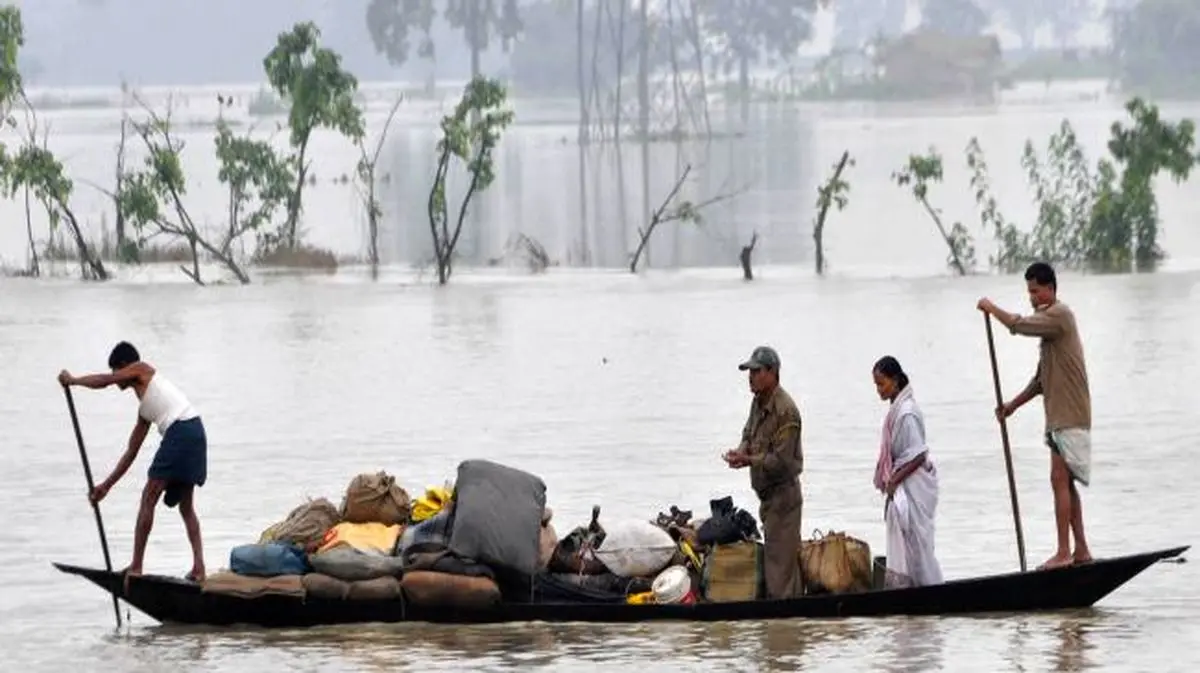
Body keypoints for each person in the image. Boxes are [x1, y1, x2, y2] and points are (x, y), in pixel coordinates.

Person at [58, 341, 208, 584]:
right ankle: (199, 568)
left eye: (117, 372)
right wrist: (105, 486)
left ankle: (136, 567)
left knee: (149, 497)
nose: (116, 379)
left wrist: (74, 381)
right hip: (196, 431)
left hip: (181, 431)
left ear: (125, 366)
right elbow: (131, 452)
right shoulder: (146, 410)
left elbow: (104, 381)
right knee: (186, 507)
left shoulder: (142, 368)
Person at [977, 261, 1093, 570]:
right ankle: (1080, 550)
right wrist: (1011, 406)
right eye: (1029, 292)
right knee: (1065, 483)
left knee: (1058, 479)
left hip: (1069, 414)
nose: (1032, 297)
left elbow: (1018, 325)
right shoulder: (1049, 330)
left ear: (1051, 289)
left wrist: (991, 308)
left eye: (1036, 291)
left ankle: (1063, 552)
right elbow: (1040, 382)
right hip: (1059, 415)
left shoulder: (1059, 316)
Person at [722, 345, 804, 599]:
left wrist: (748, 460)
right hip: (768, 498)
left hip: (784, 497)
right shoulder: (758, 401)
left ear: (772, 372)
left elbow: (781, 461)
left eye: (756, 371)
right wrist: (739, 453)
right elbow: (748, 434)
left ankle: (785, 631)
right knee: (779, 566)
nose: (751, 376)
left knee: (779, 576)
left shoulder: (786, 410)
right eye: (750, 371)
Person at [871, 356, 943, 588]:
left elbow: (918, 454)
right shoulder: (897, 409)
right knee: (909, 542)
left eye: (881, 384)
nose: (879, 390)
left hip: (913, 485)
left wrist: (894, 480)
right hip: (904, 484)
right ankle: (910, 587)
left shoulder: (907, 412)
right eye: (876, 385)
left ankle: (927, 588)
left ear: (895, 380)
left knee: (918, 543)